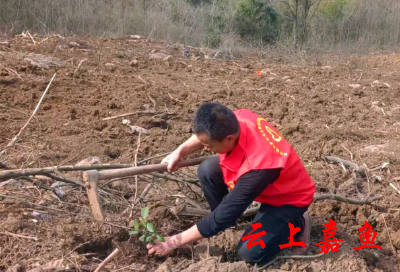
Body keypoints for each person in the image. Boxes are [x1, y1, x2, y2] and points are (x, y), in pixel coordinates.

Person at [147, 102, 316, 265]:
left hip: (287, 199)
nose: (205, 148)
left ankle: (299, 223)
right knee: (208, 170)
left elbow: (224, 214)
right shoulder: (234, 119)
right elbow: (205, 134)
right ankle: (227, 225)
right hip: (264, 182)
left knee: (250, 253)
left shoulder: (260, 167)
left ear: (229, 139)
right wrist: (180, 151)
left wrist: (173, 242)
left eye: (208, 146)